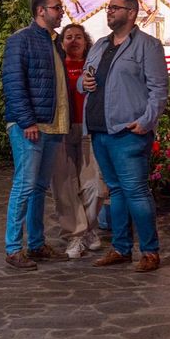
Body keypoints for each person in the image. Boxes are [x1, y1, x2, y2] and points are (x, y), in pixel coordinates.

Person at [79, 0, 169, 273]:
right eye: (108, 7)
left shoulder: (147, 46)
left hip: (128, 131)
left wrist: (146, 121)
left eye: (115, 8)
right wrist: (85, 82)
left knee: (136, 191)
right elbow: (84, 80)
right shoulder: (100, 45)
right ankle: (120, 248)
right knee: (116, 191)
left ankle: (150, 252)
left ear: (131, 13)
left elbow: (159, 90)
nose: (109, 12)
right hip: (99, 128)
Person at [1, 0, 70, 270]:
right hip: (31, 125)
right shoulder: (21, 40)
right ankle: (13, 248)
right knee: (24, 186)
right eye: (56, 7)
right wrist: (27, 120)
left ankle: (37, 244)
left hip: (53, 124)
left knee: (40, 187)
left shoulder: (54, 42)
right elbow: (14, 83)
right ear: (41, 10)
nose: (61, 11)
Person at [53, 23, 106, 259]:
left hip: (88, 130)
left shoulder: (94, 66)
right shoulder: (56, 66)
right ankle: (75, 235)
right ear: (62, 42)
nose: (73, 41)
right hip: (61, 130)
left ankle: (89, 229)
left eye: (78, 37)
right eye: (68, 37)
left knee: (94, 184)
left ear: (86, 42)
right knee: (65, 186)